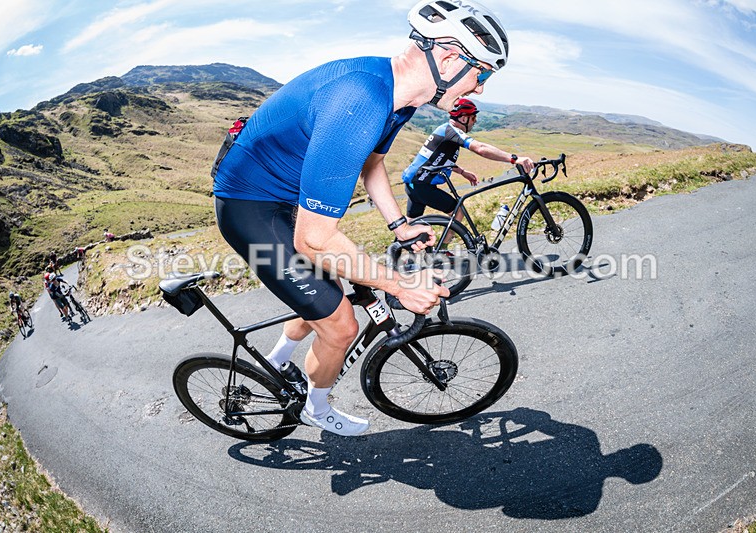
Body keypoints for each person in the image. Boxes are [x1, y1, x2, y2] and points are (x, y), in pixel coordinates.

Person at [212, 0, 511, 436]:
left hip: (282, 196)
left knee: (327, 287)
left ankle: (276, 362)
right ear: (448, 57)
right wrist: (401, 286)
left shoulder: (396, 94)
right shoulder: (360, 101)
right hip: (249, 207)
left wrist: (400, 225)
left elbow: (372, 165)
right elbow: (314, 241)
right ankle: (316, 404)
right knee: (341, 325)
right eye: (481, 73)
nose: (480, 88)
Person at [402, 98, 533, 225]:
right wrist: (514, 158)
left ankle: (398, 247)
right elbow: (481, 148)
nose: (474, 122)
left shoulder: (445, 130)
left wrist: (462, 172)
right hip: (421, 185)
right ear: (463, 118)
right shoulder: (452, 131)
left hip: (414, 183)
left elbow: (438, 158)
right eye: (473, 118)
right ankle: (444, 247)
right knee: (458, 211)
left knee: (409, 228)